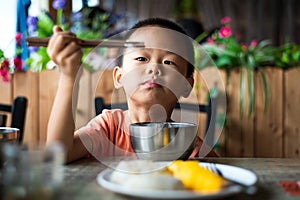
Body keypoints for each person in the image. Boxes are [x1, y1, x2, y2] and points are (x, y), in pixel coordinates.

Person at [46, 17, 217, 163]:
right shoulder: (108, 127)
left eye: (169, 62)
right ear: (119, 77)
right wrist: (69, 77)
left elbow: (220, 177)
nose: (154, 69)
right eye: (142, 58)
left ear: (186, 85)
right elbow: (59, 154)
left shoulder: (187, 144)